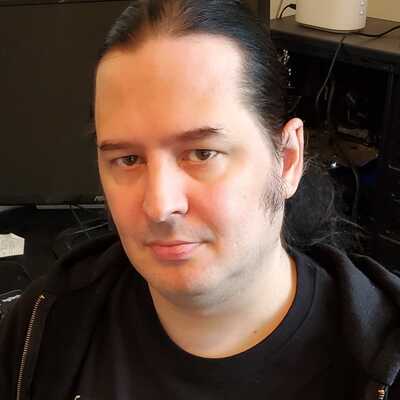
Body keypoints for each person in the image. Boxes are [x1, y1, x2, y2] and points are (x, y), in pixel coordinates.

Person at [1, 1, 400, 399]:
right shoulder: (42, 327)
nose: (160, 206)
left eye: (202, 153)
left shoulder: (383, 360)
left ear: (288, 159)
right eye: (128, 159)